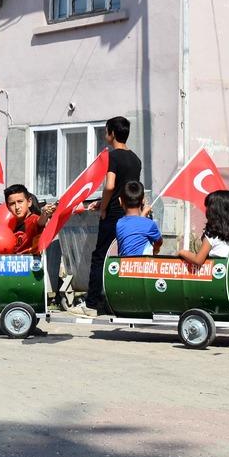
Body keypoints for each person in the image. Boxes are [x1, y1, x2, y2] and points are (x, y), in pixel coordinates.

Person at [85, 116, 142, 316]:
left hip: (113, 214)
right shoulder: (136, 159)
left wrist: (103, 207)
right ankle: (120, 301)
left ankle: (92, 303)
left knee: (100, 256)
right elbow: (126, 189)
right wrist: (102, 201)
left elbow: (110, 185)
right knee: (123, 257)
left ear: (112, 133)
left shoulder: (112, 156)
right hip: (129, 213)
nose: (104, 134)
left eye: (106, 130)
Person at [177, 189, 229, 266]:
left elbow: (198, 260)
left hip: (217, 274)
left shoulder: (212, 234)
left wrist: (182, 252)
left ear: (214, 211)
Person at [2, 184, 54, 255]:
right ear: (8, 207)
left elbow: (40, 222)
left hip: (31, 264)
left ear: (29, 202)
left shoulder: (33, 219)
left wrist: (45, 213)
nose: (17, 207)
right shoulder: (9, 225)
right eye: (12, 204)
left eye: (20, 201)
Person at [115, 181, 163, 257]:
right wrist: (156, 249)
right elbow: (159, 241)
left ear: (120, 201)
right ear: (143, 200)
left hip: (124, 266)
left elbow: (135, 228)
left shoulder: (119, 224)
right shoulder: (149, 224)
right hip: (143, 267)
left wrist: (143, 215)